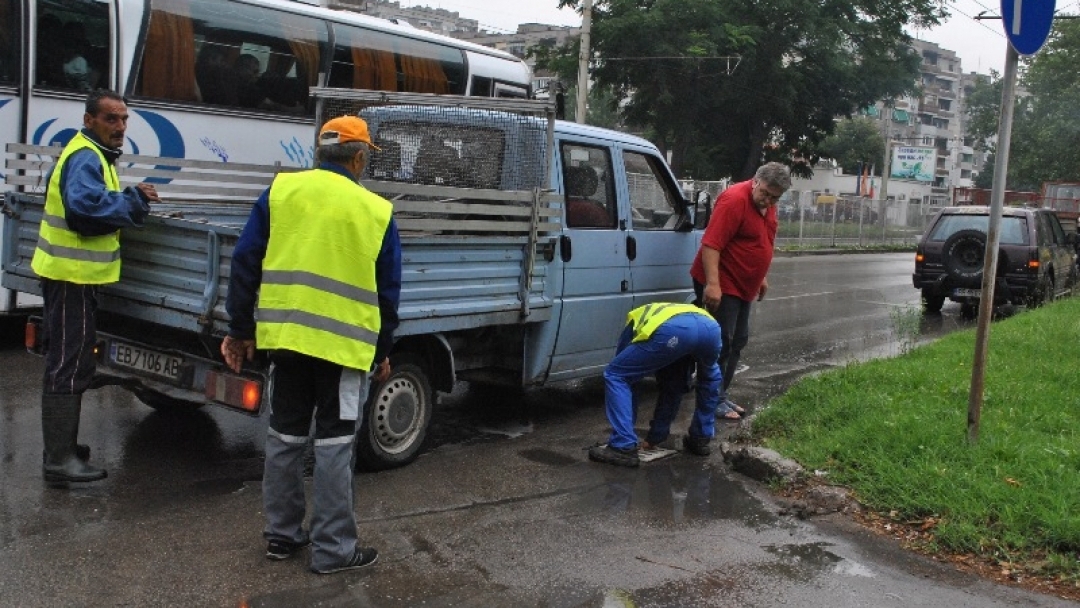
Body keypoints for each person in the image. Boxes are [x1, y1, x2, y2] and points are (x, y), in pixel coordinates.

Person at [220, 115, 402, 575]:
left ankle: (281, 536)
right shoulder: (376, 211)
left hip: (287, 341)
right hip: (343, 351)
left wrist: (241, 329)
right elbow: (387, 294)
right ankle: (334, 551)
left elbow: (245, 261)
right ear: (359, 158)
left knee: (284, 437)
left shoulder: (281, 192)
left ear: (319, 154)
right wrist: (381, 351)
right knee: (336, 444)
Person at [32, 89, 159, 485]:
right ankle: (59, 460)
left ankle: (62, 449)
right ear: (89, 121)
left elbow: (92, 200)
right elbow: (85, 211)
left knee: (69, 360)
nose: (120, 127)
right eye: (111, 119)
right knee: (68, 364)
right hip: (71, 277)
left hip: (70, 276)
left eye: (123, 120)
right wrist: (134, 204)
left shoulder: (90, 153)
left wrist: (126, 195)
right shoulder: (86, 156)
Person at [689, 162, 791, 420]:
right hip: (723, 283)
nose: (768, 200)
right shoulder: (734, 200)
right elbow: (711, 244)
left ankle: (720, 395)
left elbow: (762, 240)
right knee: (720, 343)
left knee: (738, 341)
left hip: (744, 285)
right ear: (755, 181)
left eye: (774, 197)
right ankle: (710, 400)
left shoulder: (768, 205)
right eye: (765, 193)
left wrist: (761, 276)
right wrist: (713, 284)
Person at [588, 302, 723, 468]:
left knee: (616, 375)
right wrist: (655, 436)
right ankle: (701, 438)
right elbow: (674, 384)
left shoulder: (633, 325)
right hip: (710, 328)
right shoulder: (669, 310)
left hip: (672, 331)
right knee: (706, 380)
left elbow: (629, 383)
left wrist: (627, 430)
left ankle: (622, 445)